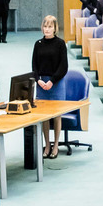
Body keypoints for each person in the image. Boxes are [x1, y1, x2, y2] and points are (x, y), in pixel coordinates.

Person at [33, 16, 70, 158]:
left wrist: (52, 81)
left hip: (56, 82)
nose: (47, 29)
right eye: (45, 26)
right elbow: (34, 66)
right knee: (44, 117)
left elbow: (63, 67)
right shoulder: (38, 44)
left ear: (55, 28)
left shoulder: (60, 44)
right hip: (42, 83)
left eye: (50, 27)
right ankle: (47, 144)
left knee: (56, 116)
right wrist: (38, 81)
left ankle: (55, 145)